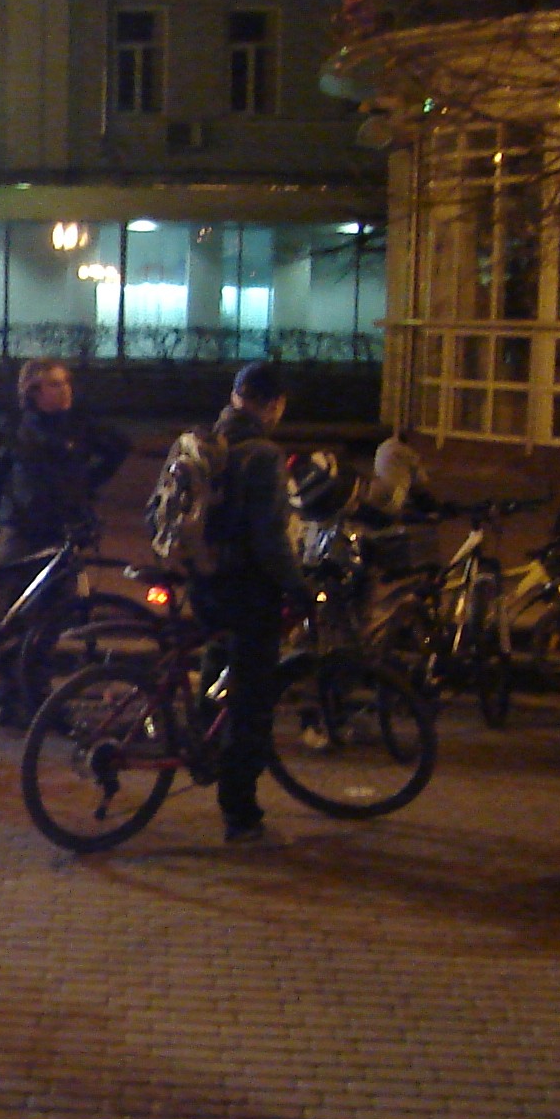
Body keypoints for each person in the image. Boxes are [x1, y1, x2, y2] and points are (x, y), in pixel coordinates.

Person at [0, 359, 132, 720]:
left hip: (63, 532)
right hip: (22, 531)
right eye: (55, 385)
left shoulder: (79, 425)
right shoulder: (15, 427)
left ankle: (38, 695)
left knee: (53, 619)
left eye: (66, 383)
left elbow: (119, 446)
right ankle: (11, 698)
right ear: (34, 391)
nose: (65, 391)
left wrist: (85, 486)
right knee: (15, 618)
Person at [196, 362, 300, 844]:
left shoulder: (209, 441)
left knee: (217, 663)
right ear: (273, 404)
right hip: (247, 589)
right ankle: (240, 812)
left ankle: (203, 748)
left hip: (206, 582)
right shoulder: (262, 454)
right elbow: (269, 538)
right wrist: (296, 586)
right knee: (252, 701)